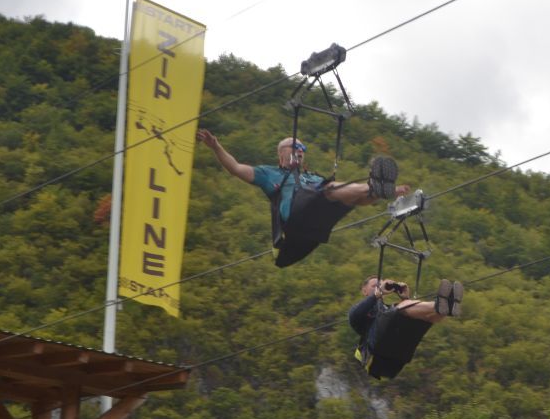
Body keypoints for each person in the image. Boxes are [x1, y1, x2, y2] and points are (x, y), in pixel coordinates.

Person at [196, 130, 409, 267]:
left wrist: (386, 192)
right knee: (332, 188)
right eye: (294, 150)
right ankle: (376, 187)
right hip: (295, 220)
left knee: (350, 197)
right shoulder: (269, 173)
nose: (299, 153)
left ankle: (379, 190)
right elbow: (235, 168)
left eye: (302, 151)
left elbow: (351, 195)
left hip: (314, 225)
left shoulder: (312, 176)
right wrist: (216, 146)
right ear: (281, 154)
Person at [349, 276, 461, 379]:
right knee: (399, 308)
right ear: (364, 290)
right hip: (376, 347)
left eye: (380, 285)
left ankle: (445, 310)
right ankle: (441, 305)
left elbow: (403, 314)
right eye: (374, 286)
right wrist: (377, 295)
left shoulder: (385, 310)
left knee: (425, 318)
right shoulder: (358, 311)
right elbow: (355, 315)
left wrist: (405, 298)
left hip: (396, 352)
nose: (378, 288)